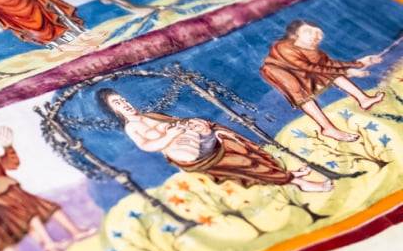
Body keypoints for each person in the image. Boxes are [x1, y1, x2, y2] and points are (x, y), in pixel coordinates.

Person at [98, 89, 331, 192]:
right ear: (114, 111)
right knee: (242, 164)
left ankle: (282, 172)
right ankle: (297, 182)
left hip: (202, 142)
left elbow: (181, 122)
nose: (124, 104)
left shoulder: (151, 115)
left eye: (123, 100)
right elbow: (148, 145)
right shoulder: (132, 127)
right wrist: (171, 134)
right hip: (193, 157)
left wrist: (195, 124)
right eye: (118, 103)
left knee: (234, 141)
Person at [260, 20, 384, 142]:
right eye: (308, 32)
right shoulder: (284, 48)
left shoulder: (311, 49)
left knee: (332, 73)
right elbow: (310, 68)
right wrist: (347, 71)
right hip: (278, 71)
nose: (315, 36)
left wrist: (359, 63)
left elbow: (328, 63)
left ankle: (363, 99)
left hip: (300, 68)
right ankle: (328, 129)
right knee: (299, 92)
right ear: (294, 35)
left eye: (318, 33)